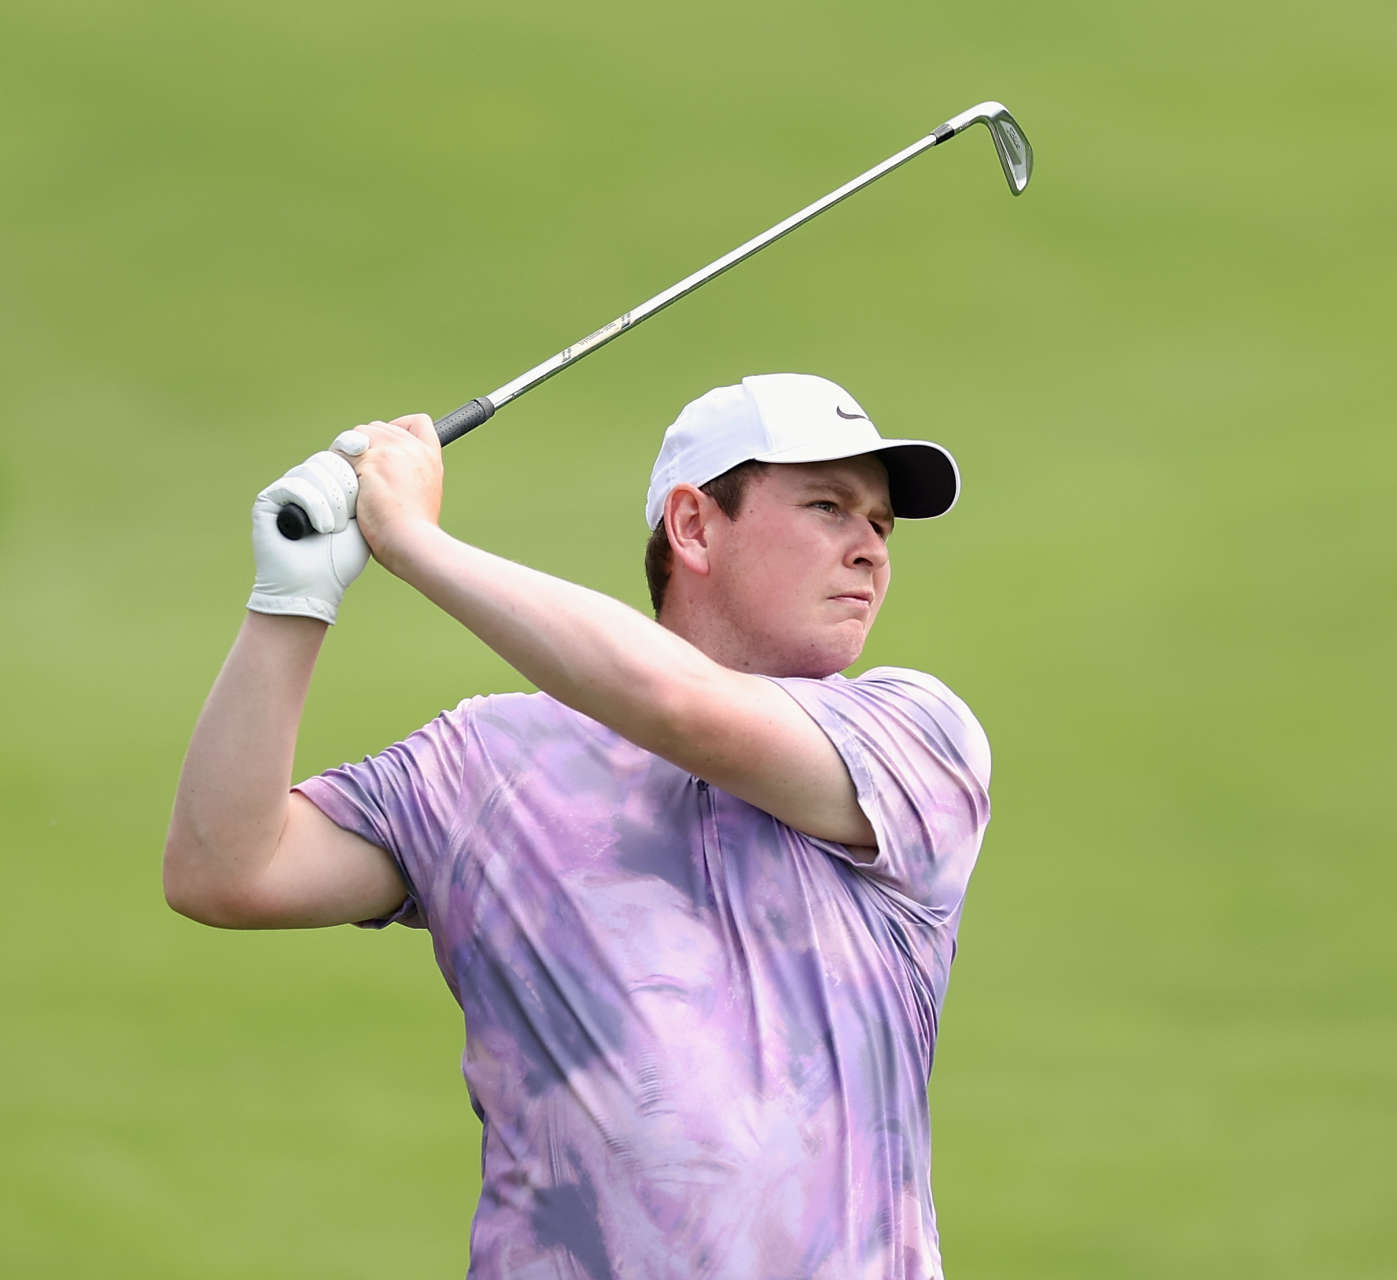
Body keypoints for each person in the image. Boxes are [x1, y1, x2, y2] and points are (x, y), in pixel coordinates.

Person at [163, 373, 992, 1279]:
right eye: (829, 506)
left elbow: (680, 707)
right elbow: (227, 871)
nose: (869, 550)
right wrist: (293, 600)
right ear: (693, 526)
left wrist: (412, 542)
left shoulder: (917, 737)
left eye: (880, 524)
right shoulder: (490, 763)